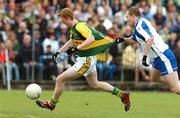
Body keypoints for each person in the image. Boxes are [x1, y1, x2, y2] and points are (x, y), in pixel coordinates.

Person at [36, 8, 130, 112]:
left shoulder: (80, 26)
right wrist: (58, 52)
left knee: (59, 79)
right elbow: (72, 41)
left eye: (63, 21)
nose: (63, 24)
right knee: (94, 84)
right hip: (87, 58)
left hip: (85, 60)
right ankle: (123, 95)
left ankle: (51, 104)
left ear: (68, 18)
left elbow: (91, 39)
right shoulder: (75, 28)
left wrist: (77, 48)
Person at [116, 7, 180, 94]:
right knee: (154, 78)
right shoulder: (139, 24)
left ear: (133, 16)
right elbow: (135, 38)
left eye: (127, 17)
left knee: (176, 89)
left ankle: (175, 84)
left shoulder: (139, 26)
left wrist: (144, 57)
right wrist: (123, 39)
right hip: (157, 58)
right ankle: (173, 83)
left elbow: (150, 39)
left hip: (162, 56)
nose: (127, 20)